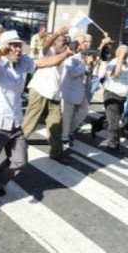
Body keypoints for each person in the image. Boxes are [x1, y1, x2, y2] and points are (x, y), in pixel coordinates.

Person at [0, 30, 72, 217]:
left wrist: (66, 54)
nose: (18, 49)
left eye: (19, 45)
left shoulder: (24, 62)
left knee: (20, 160)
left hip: (14, 121)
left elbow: (45, 62)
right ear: (4, 47)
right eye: (13, 45)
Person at [22, 26, 73, 163]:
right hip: (40, 90)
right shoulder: (47, 52)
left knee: (56, 124)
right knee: (30, 121)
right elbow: (46, 44)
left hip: (54, 94)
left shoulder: (66, 57)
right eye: (63, 42)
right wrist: (57, 33)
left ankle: (56, 153)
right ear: (55, 43)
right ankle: (17, 144)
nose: (65, 45)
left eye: (67, 43)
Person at [102, 45, 128, 155]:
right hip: (112, 96)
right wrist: (120, 58)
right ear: (117, 53)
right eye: (123, 53)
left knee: (114, 120)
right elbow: (116, 74)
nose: (125, 56)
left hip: (122, 97)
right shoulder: (112, 63)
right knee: (115, 122)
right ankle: (113, 144)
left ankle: (104, 125)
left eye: (126, 54)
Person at [60, 34, 93, 146]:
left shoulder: (84, 56)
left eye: (86, 42)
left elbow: (87, 72)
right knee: (67, 115)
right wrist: (85, 64)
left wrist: (89, 65)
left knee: (84, 111)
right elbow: (73, 72)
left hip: (81, 89)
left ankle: (69, 131)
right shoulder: (71, 57)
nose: (86, 44)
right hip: (70, 90)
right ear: (77, 44)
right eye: (83, 42)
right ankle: (64, 136)